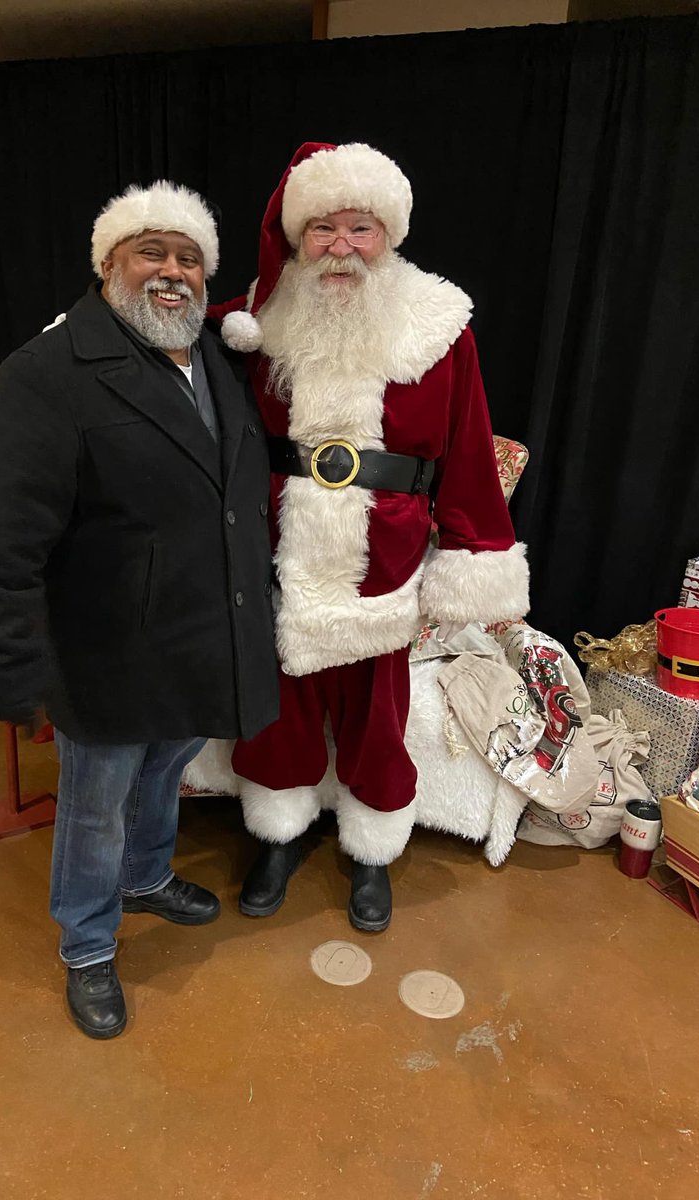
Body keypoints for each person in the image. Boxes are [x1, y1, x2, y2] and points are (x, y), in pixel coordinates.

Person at [0, 182, 279, 1038]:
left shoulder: (211, 357)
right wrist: (6, 663)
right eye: (151, 253)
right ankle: (90, 944)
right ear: (107, 266)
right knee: (95, 802)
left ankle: (144, 876)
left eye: (189, 258)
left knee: (168, 766)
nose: (172, 273)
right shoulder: (45, 376)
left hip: (198, 633)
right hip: (106, 646)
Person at [209, 142, 529, 932]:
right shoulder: (258, 316)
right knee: (278, 709)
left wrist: (473, 554)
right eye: (322, 228)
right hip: (280, 546)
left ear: (390, 234)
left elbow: (467, 448)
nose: (342, 246)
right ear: (296, 236)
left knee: (376, 720)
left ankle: (373, 851)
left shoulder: (437, 326)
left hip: (384, 558)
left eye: (361, 227)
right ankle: (278, 837)